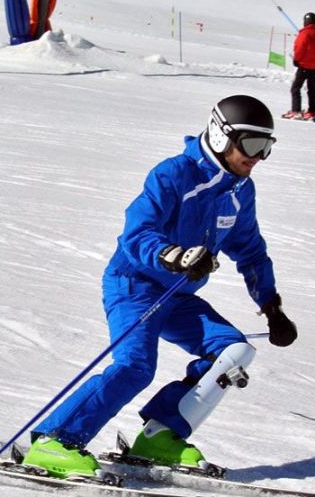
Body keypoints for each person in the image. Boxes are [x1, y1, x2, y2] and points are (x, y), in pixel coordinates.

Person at [23, 95, 298, 480]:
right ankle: (54, 441)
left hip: (179, 296)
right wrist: (173, 255)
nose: (258, 156)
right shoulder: (173, 175)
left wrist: (271, 304)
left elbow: (250, 250)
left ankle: (160, 435)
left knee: (232, 351)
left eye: (267, 147)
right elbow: (136, 232)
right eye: (251, 144)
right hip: (134, 285)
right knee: (135, 366)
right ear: (222, 136)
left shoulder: (239, 191)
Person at [283, 12, 315, 122]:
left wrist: (296, 60)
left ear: (306, 21)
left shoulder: (304, 34)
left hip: (304, 65)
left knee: (295, 88)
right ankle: (313, 110)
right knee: (311, 89)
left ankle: (296, 110)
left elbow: (299, 48)